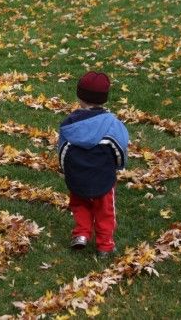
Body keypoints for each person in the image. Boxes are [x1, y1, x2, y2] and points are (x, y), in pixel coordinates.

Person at [57, 71, 129, 258]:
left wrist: (66, 170)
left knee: (79, 204)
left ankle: (81, 233)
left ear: (79, 96)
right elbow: (119, 149)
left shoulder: (69, 124)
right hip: (103, 176)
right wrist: (119, 166)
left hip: (77, 175)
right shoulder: (113, 125)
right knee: (105, 210)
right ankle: (105, 245)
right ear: (104, 99)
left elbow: (63, 150)